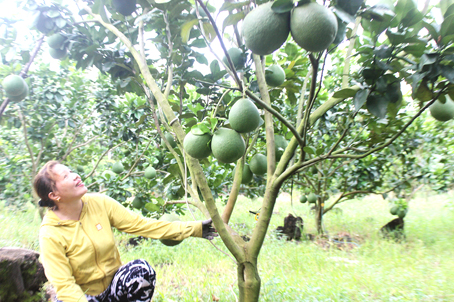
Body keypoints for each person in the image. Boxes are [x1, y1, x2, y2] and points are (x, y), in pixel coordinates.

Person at [34, 160, 217, 302]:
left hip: (112, 288)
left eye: (71, 171)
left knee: (141, 270)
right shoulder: (50, 233)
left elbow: (143, 225)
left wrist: (195, 229)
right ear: (54, 195)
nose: (75, 176)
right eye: (65, 176)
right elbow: (64, 285)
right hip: (82, 296)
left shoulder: (99, 203)